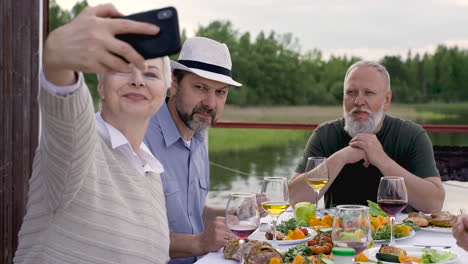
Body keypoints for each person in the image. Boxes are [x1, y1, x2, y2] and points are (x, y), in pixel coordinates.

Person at [14, 4, 172, 264]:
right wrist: (58, 59)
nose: (138, 80)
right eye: (123, 68)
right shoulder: (82, 145)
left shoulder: (150, 172)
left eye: (151, 74)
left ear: (164, 92)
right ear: (101, 85)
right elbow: (67, 112)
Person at [289, 60, 445, 213]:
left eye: (368, 93)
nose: (358, 101)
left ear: (387, 100)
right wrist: (340, 158)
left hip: (399, 234)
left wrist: (381, 159)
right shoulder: (325, 134)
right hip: (338, 234)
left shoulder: (412, 135)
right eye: (351, 92)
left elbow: (434, 204)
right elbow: (293, 199)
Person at [143, 37, 243, 264]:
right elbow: (133, 237)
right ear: (174, 84)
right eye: (200, 87)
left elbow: (192, 213)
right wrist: (199, 242)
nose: (210, 103)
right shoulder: (141, 136)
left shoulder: (198, 135)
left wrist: (237, 213)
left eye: (220, 92)